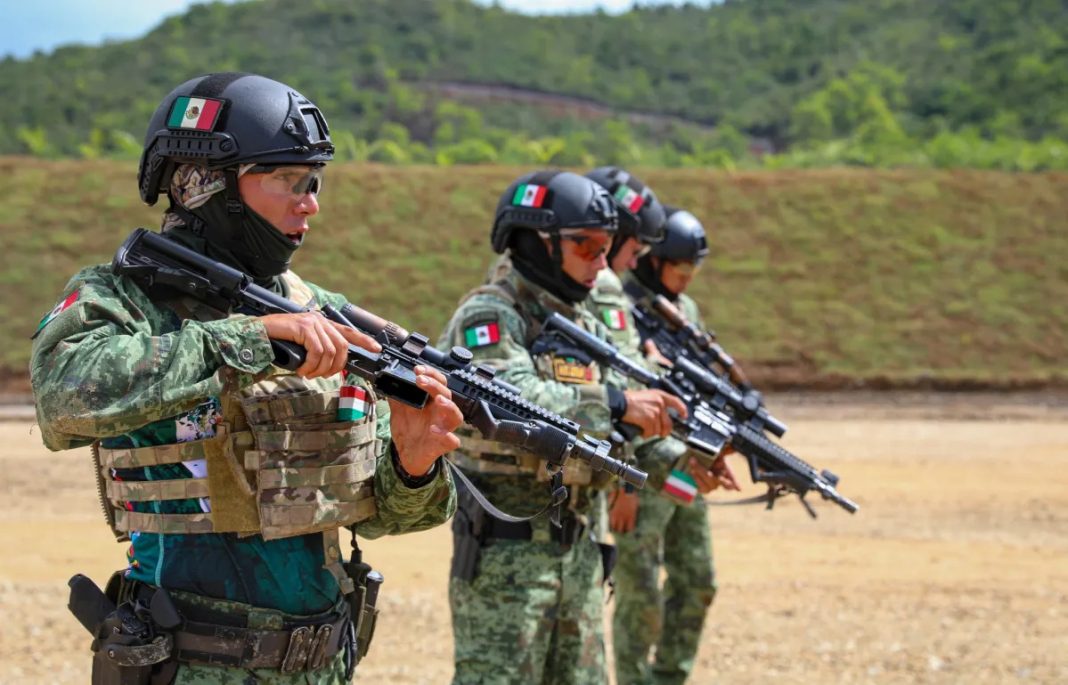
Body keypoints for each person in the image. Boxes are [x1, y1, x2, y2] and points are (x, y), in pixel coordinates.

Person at [30, 72, 463, 684]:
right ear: (205, 184)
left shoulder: (319, 310)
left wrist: (413, 464)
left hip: (323, 662)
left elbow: (382, 518)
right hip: (190, 663)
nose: (309, 202)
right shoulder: (125, 298)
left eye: (313, 182)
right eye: (287, 180)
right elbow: (61, 398)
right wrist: (249, 339)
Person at [439, 170, 685, 685]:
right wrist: (615, 403)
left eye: (608, 247)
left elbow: (630, 426)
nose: (602, 261)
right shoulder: (490, 313)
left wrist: (681, 464)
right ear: (537, 240)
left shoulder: (586, 326)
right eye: (587, 245)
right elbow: (510, 401)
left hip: (580, 552)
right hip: (508, 558)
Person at [585, 184, 739, 685]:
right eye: (678, 267)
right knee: (640, 589)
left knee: (697, 580)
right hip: (643, 475)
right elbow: (619, 398)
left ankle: (670, 677)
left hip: (681, 468)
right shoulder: (617, 305)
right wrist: (624, 487)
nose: (685, 279)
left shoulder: (684, 314)